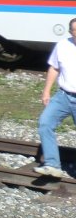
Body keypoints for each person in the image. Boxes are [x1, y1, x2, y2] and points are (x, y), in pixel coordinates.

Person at [35, 17, 76, 178]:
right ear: (70, 32)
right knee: (45, 123)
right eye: (75, 31)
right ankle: (52, 165)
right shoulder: (63, 45)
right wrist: (46, 91)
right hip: (64, 95)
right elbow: (54, 68)